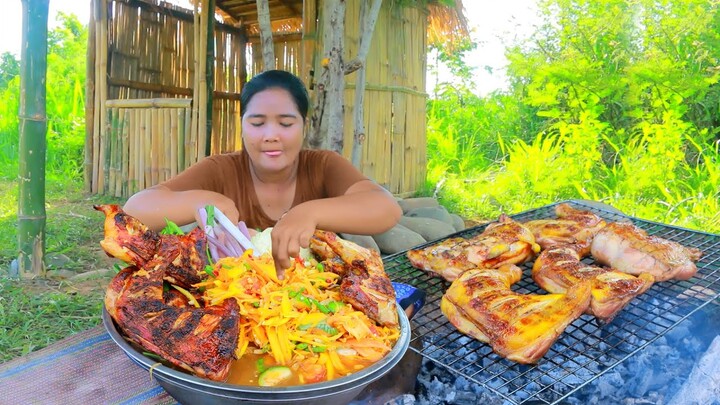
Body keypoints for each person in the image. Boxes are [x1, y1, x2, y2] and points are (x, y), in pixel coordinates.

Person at [123, 69, 402, 272]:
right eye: (257, 123)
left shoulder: (322, 166)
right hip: (232, 307)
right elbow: (135, 209)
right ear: (242, 126)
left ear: (304, 126)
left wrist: (309, 212)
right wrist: (204, 201)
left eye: (286, 123)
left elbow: (386, 209)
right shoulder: (221, 170)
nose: (271, 135)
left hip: (312, 305)